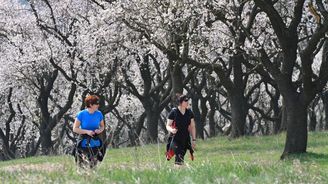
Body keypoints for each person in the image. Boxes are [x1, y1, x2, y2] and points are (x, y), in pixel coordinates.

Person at [73, 95, 105, 165]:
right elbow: (75, 129)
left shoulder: (99, 114)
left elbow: (102, 127)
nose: (98, 105)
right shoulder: (81, 114)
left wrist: (99, 130)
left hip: (95, 142)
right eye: (96, 104)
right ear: (90, 104)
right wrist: (87, 132)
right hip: (83, 143)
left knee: (93, 165)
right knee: (82, 165)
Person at [166, 94, 196, 166]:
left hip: (185, 138)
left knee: (181, 156)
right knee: (179, 155)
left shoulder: (189, 112)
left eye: (187, 100)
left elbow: (192, 126)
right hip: (175, 138)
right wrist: (171, 130)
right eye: (185, 100)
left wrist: (194, 140)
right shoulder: (174, 112)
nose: (187, 102)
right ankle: (178, 172)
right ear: (180, 102)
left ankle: (177, 174)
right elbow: (168, 125)